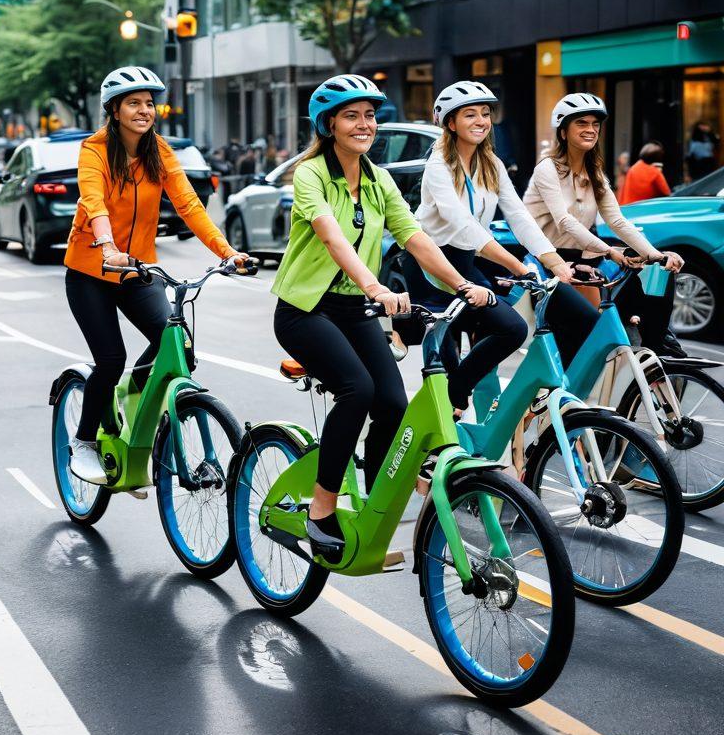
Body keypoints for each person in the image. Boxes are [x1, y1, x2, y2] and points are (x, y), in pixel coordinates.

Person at [271, 74, 493, 563]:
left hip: (355, 310)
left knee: (393, 401)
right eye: (352, 115)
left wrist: (462, 284)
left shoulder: (378, 178)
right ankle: (321, 511)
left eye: (370, 115)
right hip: (305, 309)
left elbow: (414, 237)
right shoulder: (311, 174)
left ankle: (373, 505)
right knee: (359, 390)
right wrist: (375, 285)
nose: (364, 124)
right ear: (328, 124)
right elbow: (330, 234)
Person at [63, 66, 249, 484]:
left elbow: (188, 204)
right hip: (91, 271)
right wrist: (108, 246)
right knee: (111, 360)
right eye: (134, 103)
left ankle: (138, 396)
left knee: (176, 340)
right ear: (113, 109)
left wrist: (227, 251)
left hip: (138, 270)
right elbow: (94, 201)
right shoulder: (94, 149)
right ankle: (85, 441)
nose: (144, 110)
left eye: (149, 103)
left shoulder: (159, 150)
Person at [405, 81, 599, 418]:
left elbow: (520, 217)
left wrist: (553, 263)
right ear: (450, 123)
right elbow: (464, 225)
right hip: (433, 265)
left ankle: (551, 397)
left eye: (485, 114)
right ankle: (454, 399)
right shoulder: (438, 165)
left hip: (470, 258)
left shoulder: (490, 163)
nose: (481, 120)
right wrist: (519, 267)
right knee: (506, 331)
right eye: (470, 115)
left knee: (582, 317)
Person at [524, 93, 684, 308]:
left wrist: (655, 256)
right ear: (563, 132)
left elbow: (616, 221)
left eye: (595, 124)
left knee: (634, 304)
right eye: (581, 123)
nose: (590, 129)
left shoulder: (595, 173)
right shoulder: (547, 169)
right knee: (588, 322)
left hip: (584, 257)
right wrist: (609, 251)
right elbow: (564, 220)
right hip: (548, 259)